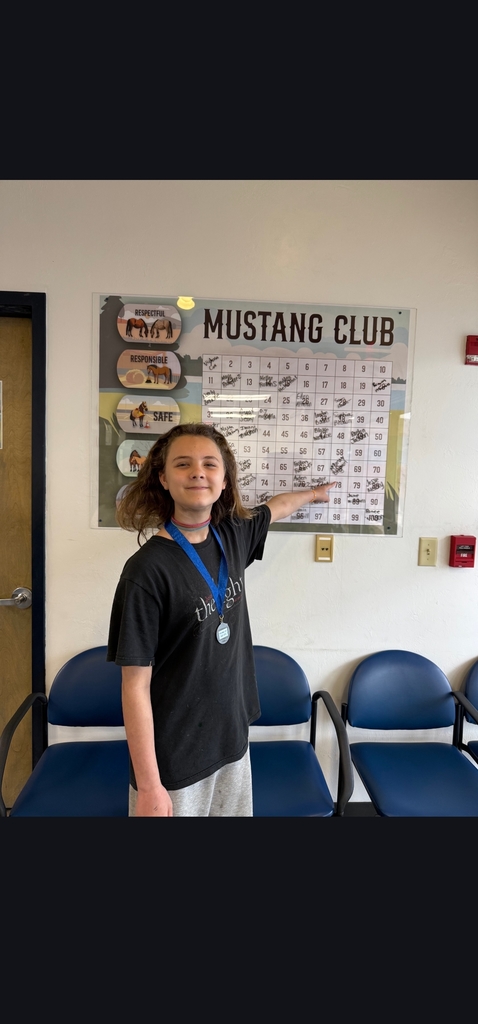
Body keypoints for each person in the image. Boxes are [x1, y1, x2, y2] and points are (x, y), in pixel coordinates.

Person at [107, 422, 335, 817]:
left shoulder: (232, 535)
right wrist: (149, 786)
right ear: (162, 478)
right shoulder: (145, 572)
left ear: (225, 480)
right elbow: (134, 687)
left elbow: (276, 507)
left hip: (232, 739)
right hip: (175, 759)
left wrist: (314, 494)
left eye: (210, 464)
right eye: (183, 464)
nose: (198, 472)